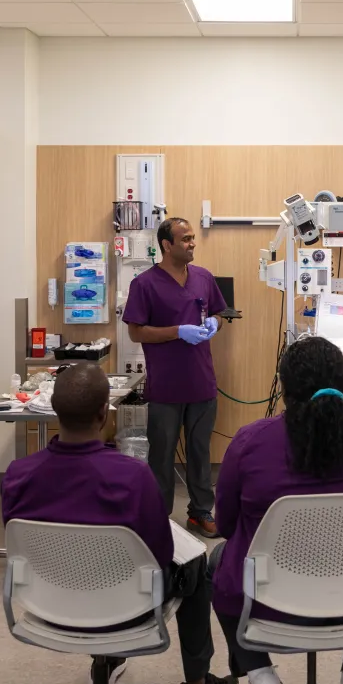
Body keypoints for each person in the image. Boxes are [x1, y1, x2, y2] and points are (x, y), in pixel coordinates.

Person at [0, 363, 235, 684]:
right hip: (126, 605)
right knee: (195, 561)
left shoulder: (17, 475)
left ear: (53, 409)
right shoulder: (132, 476)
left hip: (45, 605)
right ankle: (197, 682)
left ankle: (108, 659)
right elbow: (160, 554)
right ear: (104, 413)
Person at [211, 337, 343, 684]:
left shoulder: (250, 442)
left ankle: (261, 675)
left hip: (269, 601)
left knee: (218, 559)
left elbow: (224, 525)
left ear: (285, 387)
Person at [122, 217, 227, 538]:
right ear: (166, 245)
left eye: (194, 238)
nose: (192, 244)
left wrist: (214, 325)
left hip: (202, 383)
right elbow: (136, 332)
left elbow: (220, 314)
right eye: (185, 239)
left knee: (200, 453)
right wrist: (178, 331)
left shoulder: (203, 278)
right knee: (161, 456)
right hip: (166, 388)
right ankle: (160, 518)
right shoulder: (144, 284)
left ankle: (200, 513)